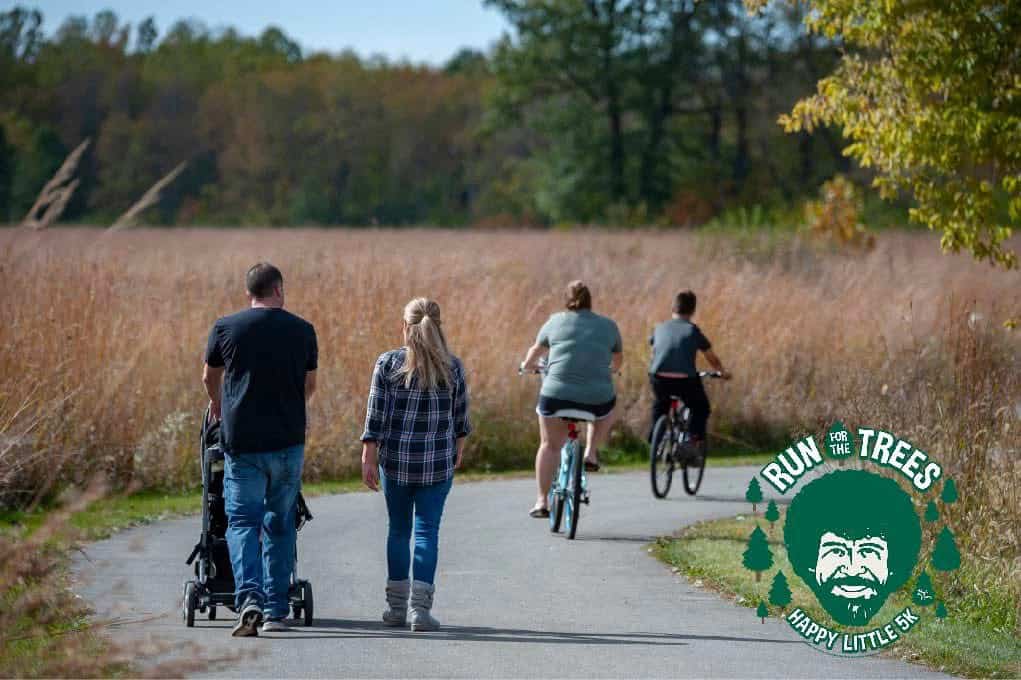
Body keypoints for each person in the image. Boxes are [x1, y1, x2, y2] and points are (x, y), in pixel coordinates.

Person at [202, 263, 318, 637]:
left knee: (241, 523)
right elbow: (309, 385)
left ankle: (247, 598)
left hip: (243, 444)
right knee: (280, 523)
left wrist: (219, 403)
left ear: (249, 292)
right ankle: (276, 610)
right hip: (287, 442)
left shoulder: (226, 327)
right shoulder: (303, 330)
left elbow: (209, 375)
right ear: (279, 290)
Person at [360, 298, 471, 632]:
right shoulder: (453, 367)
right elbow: (460, 420)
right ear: (438, 326)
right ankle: (419, 612)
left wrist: (368, 454)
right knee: (427, 532)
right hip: (437, 463)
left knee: (398, 530)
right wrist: (457, 451)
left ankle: (396, 609)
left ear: (404, 327)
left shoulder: (388, 364)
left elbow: (375, 415)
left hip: (395, 463)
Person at [520, 281, 622, 519]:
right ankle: (591, 452)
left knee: (550, 445)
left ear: (566, 300)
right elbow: (617, 361)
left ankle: (542, 501)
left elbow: (535, 352)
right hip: (597, 397)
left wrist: (527, 367)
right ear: (590, 300)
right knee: (608, 410)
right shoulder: (608, 326)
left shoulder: (554, 321)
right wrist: (611, 371)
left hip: (556, 395)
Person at [648, 290, 729, 445]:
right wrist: (721, 372)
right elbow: (711, 357)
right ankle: (691, 439)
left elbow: (654, 353)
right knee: (701, 407)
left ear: (673, 308)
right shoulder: (692, 330)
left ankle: (655, 439)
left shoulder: (659, 329)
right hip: (685, 380)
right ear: (692, 311)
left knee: (660, 404)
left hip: (657, 377)